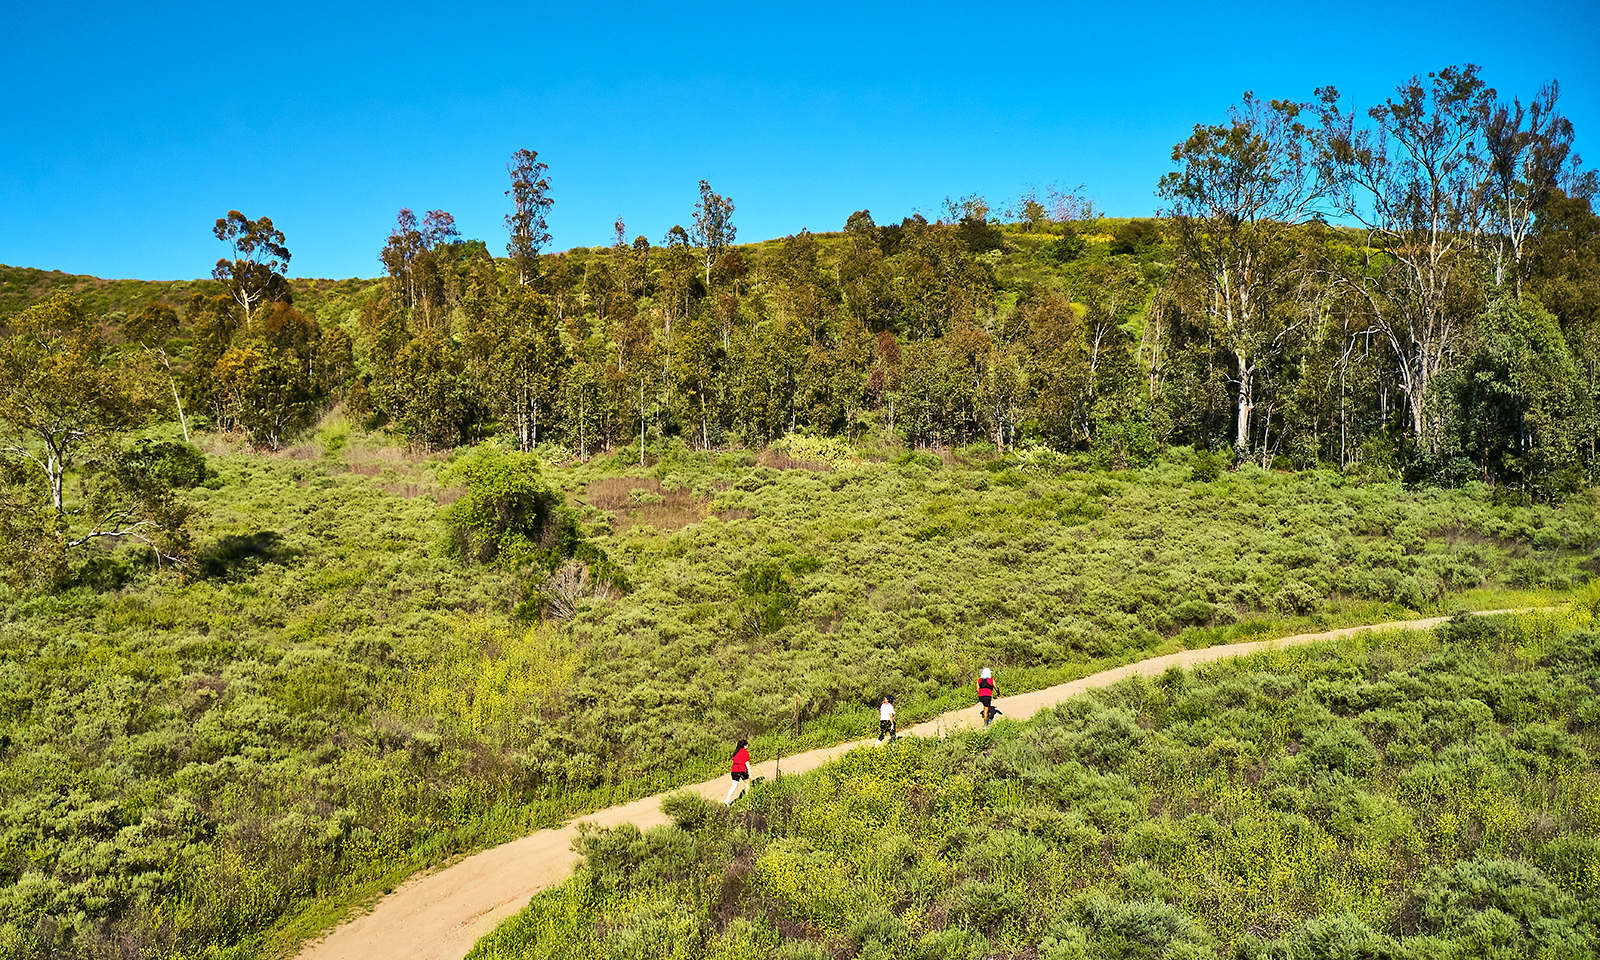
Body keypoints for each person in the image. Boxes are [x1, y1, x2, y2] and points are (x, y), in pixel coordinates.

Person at [725, 739, 751, 804]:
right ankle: (747, 800)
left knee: (734, 786)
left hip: (734, 770)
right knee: (747, 783)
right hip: (742, 769)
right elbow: (746, 762)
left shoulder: (736, 752)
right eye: (747, 744)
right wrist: (750, 772)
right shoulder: (745, 752)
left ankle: (727, 799)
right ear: (744, 746)